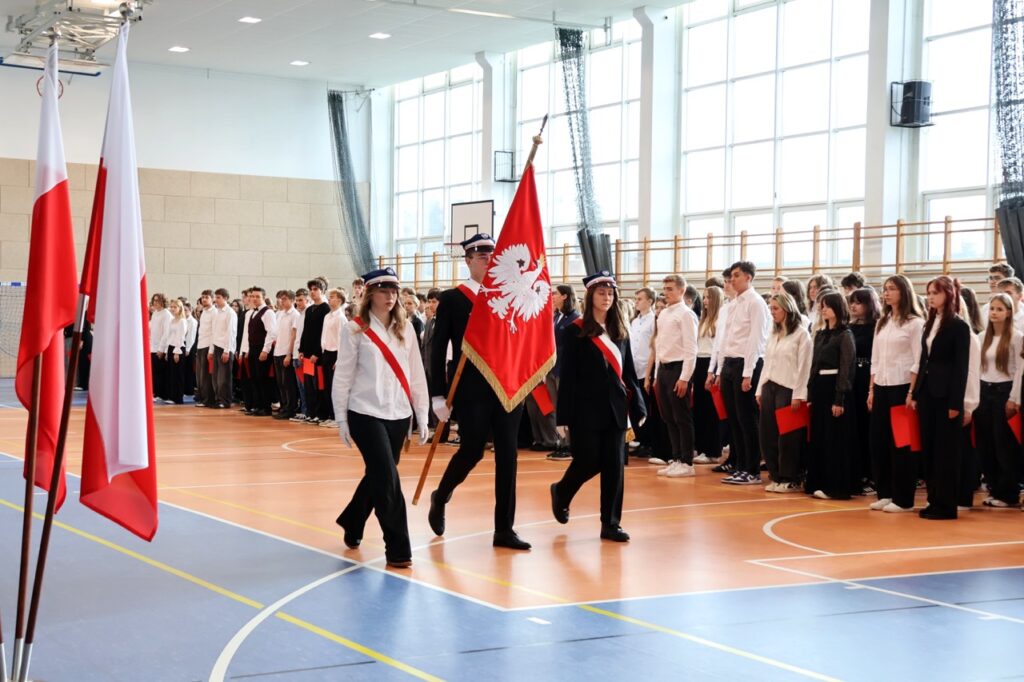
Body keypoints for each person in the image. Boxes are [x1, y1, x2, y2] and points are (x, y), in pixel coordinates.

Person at [427, 233, 531, 550]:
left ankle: (504, 529)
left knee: (508, 456)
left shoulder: (508, 294)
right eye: (481, 256)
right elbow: (437, 348)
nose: (488, 260)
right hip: (472, 388)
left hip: (507, 385)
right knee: (472, 450)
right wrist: (438, 394)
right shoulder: (453, 298)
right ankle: (441, 494)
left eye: (491, 255)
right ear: (468, 260)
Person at [333, 267, 429, 568]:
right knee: (387, 478)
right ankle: (398, 549)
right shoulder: (354, 329)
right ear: (370, 294)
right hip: (364, 412)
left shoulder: (406, 327)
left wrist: (422, 413)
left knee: (379, 473)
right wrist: (341, 417)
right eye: (384, 291)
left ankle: (353, 519)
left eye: (394, 291)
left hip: (398, 413)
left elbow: (416, 373)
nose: (390, 296)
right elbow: (343, 375)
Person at [550, 271, 645, 541]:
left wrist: (638, 405)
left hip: (616, 407)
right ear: (591, 296)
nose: (607, 298)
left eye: (610, 293)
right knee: (588, 460)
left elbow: (628, 372)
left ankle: (611, 524)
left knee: (614, 466)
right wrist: (563, 416)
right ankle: (562, 491)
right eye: (601, 293)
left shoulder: (620, 331)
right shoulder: (575, 330)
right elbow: (567, 376)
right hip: (585, 409)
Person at [911, 276, 971, 520]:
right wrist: (915, 393)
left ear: (948, 294)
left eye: (935, 293)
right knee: (929, 449)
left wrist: (956, 403)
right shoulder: (929, 323)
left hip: (946, 396)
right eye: (929, 293)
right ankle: (934, 499)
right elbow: (924, 360)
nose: (930, 297)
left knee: (946, 452)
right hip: (927, 393)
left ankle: (946, 505)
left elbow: (961, 368)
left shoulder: (959, 326)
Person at [868, 275, 926, 513]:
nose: (886, 293)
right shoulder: (882, 322)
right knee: (879, 442)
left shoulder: (915, 323)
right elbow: (875, 359)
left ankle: (903, 498)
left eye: (892, 289)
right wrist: (871, 389)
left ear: (904, 292)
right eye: (885, 289)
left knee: (901, 444)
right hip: (881, 386)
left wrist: (912, 391)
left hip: (902, 388)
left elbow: (918, 360)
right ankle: (885, 493)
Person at [714, 261, 770, 485]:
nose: (732, 279)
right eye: (731, 276)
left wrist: (748, 373)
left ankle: (752, 469)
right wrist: (720, 369)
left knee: (747, 419)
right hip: (730, 363)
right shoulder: (733, 304)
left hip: (747, 364)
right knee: (734, 419)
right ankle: (740, 466)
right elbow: (725, 339)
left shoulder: (755, 303)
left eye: (737, 275)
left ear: (748, 277)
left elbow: (756, 339)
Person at [756, 291, 811, 493]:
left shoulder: (801, 334)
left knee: (788, 437)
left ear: (787, 309)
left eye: (775, 308)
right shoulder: (773, 334)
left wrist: (799, 394)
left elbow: (804, 366)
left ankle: (791, 477)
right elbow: (766, 363)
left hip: (789, 388)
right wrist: (759, 389)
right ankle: (776, 475)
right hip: (769, 386)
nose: (772, 312)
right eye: (770, 308)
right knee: (767, 434)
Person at [806, 292, 857, 500]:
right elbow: (814, 365)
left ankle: (835, 485)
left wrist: (839, 398)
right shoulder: (820, 334)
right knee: (819, 436)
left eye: (827, 306)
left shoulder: (845, 335)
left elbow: (847, 368)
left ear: (837, 308)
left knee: (834, 438)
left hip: (834, 388)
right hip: (820, 388)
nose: (823, 309)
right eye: (822, 306)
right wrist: (810, 392)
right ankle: (818, 481)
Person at [976, 293, 1022, 508]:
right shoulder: (981, 337)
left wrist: (1014, 398)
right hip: (984, 390)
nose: (994, 312)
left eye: (999, 309)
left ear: (1009, 313)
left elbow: (1019, 370)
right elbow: (978, 368)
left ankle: (1008, 492)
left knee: (1003, 444)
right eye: (992, 308)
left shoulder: (1016, 338)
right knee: (986, 444)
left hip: (1004, 391)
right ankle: (994, 488)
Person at [653, 275, 699, 478]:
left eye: (670, 289)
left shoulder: (686, 314)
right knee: (668, 417)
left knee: (681, 417)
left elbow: (691, 348)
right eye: (665, 289)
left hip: (678, 368)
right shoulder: (663, 313)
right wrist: (657, 373)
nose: (666, 292)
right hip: (664, 369)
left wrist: (685, 377)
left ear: (681, 290)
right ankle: (677, 458)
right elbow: (659, 344)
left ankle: (687, 462)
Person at [538, 284, 580, 460]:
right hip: (552, 369)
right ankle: (561, 442)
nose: (553, 297)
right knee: (556, 408)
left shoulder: (575, 318)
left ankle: (570, 445)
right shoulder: (557, 317)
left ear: (565, 296)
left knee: (566, 408)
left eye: (556, 294)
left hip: (565, 369)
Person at [849, 287, 880, 493]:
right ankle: (857, 471)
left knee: (868, 426)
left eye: (858, 302)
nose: (853, 306)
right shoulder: (849, 327)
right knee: (855, 427)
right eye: (851, 302)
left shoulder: (876, 326)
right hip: (853, 377)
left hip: (868, 376)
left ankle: (871, 474)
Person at [693, 286, 724, 464]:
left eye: (708, 298)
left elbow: (719, 349)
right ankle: (702, 447)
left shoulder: (719, 321)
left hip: (711, 364)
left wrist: (713, 371)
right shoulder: (703, 320)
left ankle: (713, 450)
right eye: (704, 297)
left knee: (711, 410)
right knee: (700, 408)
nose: (705, 301)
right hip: (700, 362)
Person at [629, 287, 657, 459]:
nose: (637, 302)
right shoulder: (634, 321)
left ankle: (649, 442)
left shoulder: (654, 320)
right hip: (635, 367)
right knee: (637, 407)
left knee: (648, 406)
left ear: (650, 301)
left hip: (646, 367)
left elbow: (653, 346)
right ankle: (641, 439)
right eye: (636, 298)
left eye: (640, 299)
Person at [298, 278, 331, 424]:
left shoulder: (326, 309)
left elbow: (323, 334)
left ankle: (321, 414)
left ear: (322, 291)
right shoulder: (309, 309)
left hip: (317, 355)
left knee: (319, 385)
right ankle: (311, 413)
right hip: (307, 354)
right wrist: (301, 350)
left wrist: (317, 353)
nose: (312, 292)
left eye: (316, 289)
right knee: (309, 385)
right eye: (311, 289)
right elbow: (305, 331)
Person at [245, 287, 277, 417]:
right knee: (254, 377)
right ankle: (258, 406)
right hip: (253, 349)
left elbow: (272, 332)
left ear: (263, 298)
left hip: (262, 349)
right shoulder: (252, 313)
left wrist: (265, 350)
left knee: (263, 378)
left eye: (257, 296)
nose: (254, 299)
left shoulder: (268, 312)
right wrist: (248, 350)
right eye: (252, 296)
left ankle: (266, 407)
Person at [271, 290, 301, 420]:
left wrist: (289, 354)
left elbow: (293, 336)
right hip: (278, 351)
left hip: (286, 352)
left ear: (292, 300)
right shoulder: (280, 314)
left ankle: (290, 408)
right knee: (280, 383)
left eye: (284, 299)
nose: (282, 301)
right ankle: (283, 406)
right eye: (281, 299)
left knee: (288, 383)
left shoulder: (295, 315)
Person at [160, 298, 189, 405]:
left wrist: (177, 352)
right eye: (171, 307)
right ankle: (172, 396)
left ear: (180, 308)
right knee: (171, 373)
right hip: (171, 347)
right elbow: (170, 336)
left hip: (178, 348)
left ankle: (178, 398)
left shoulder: (182, 321)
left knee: (178, 374)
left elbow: (180, 337)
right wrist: (168, 351)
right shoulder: (172, 320)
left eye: (174, 307)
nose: (172, 309)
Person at [194, 290, 216, 407]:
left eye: (206, 297)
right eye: (202, 297)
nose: (204, 299)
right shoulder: (203, 312)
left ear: (212, 299)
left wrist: (211, 350)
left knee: (206, 376)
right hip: (201, 345)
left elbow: (213, 332)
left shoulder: (214, 312)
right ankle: (202, 398)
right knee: (200, 375)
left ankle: (208, 400)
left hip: (208, 346)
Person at [149, 293, 172, 401]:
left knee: (161, 372)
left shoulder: (166, 314)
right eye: (154, 300)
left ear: (163, 301)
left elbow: (166, 333)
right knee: (154, 372)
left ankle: (162, 394)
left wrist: (161, 348)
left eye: (158, 300)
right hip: (152, 347)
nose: (155, 303)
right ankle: (155, 392)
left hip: (160, 347)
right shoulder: (155, 313)